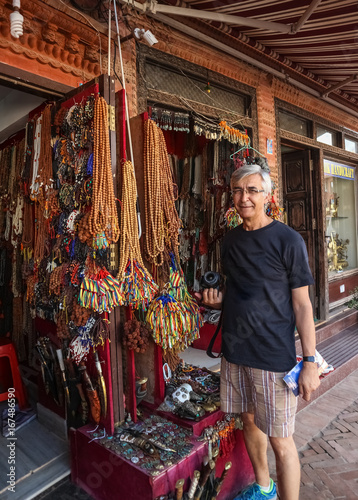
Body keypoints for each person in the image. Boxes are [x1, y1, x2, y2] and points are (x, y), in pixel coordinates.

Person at [200, 162, 320, 500]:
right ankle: (264, 488)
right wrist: (216, 302)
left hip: (272, 357)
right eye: (238, 191)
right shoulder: (231, 242)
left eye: (253, 190)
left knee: (281, 440)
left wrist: (309, 361)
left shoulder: (288, 240)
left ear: (268, 195)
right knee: (249, 423)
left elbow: (302, 305)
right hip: (236, 353)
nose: (244, 197)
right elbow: (241, 293)